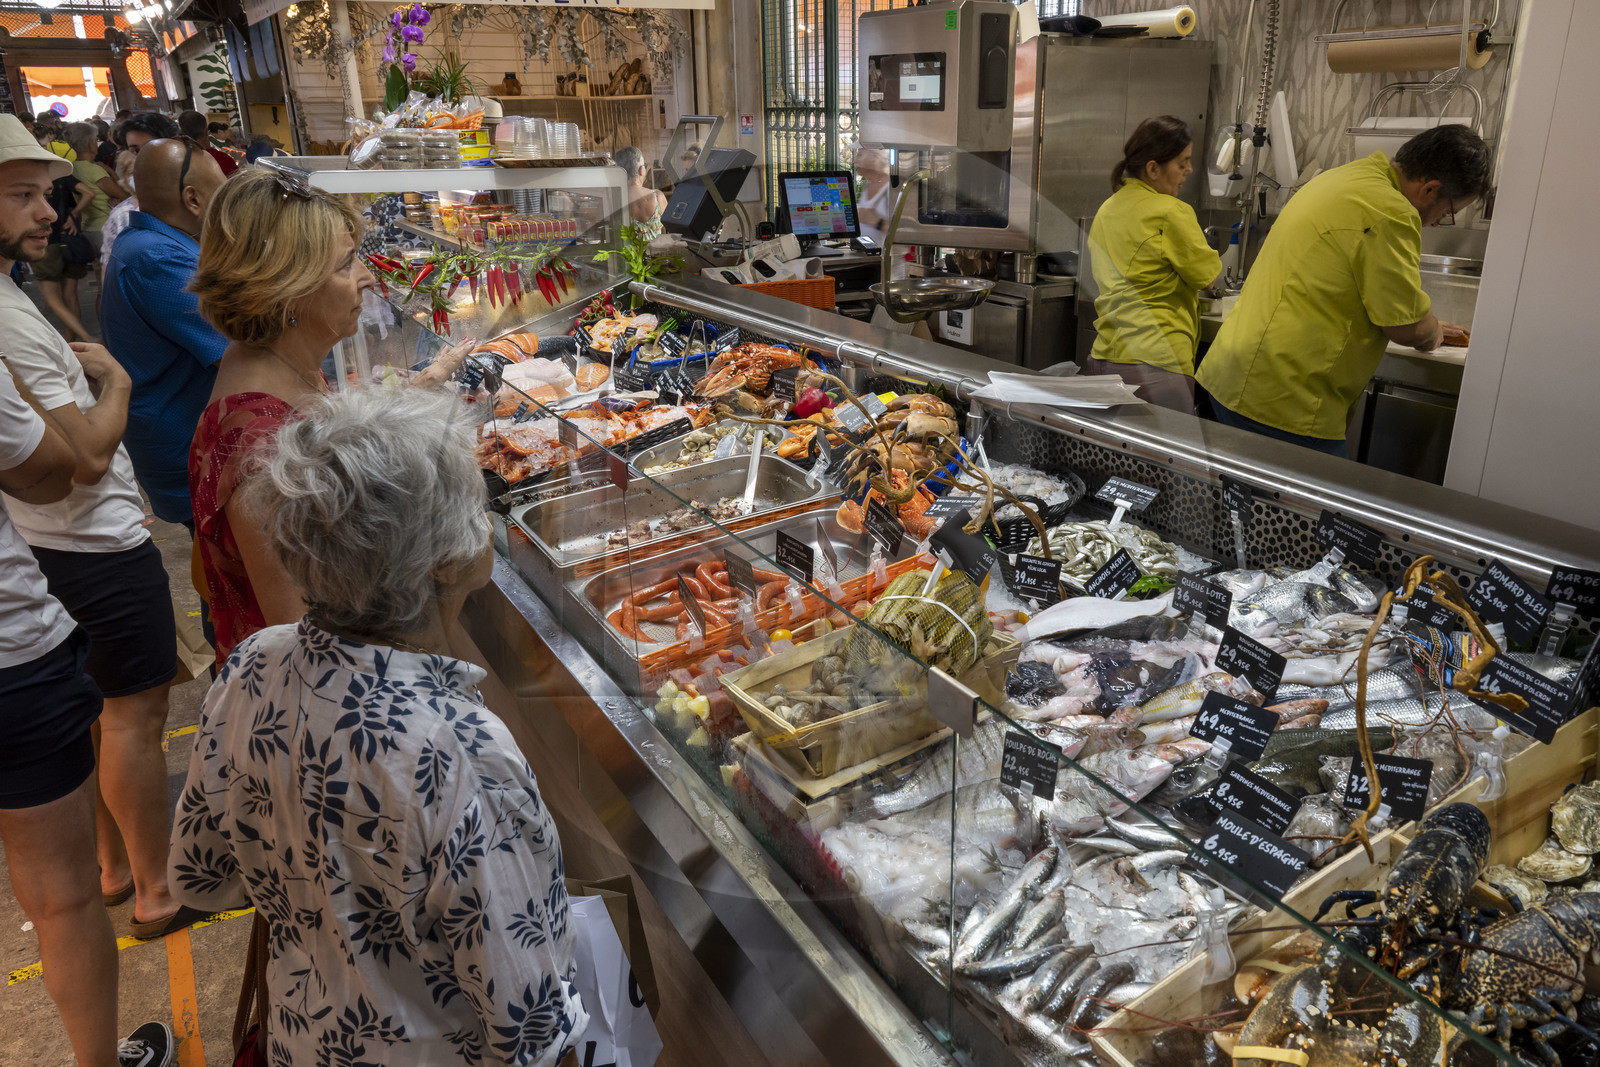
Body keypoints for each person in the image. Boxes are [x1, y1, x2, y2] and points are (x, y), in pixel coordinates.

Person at [169, 387, 587, 1064]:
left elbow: (201, 875)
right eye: (477, 502)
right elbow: (531, 1026)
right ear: (445, 562)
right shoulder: (460, 751)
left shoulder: (251, 666)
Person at [0, 110, 177, 1067]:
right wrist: (114, 382)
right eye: (21, 192)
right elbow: (71, 459)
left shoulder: (12, 291)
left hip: (47, 565)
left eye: (45, 189)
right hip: (79, 559)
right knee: (134, 714)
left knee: (105, 723)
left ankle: (121, 869)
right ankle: (153, 885)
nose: (47, 208)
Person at [189, 168, 474, 666]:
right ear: (286, 290)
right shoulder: (262, 437)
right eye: (346, 265)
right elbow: (303, 638)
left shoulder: (279, 365)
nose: (366, 278)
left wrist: (417, 394)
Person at [1197, 125, 1491, 456]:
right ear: (1430, 189)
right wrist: (1434, 331)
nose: (1439, 222)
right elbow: (1406, 328)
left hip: (1233, 377)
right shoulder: (1390, 211)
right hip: (1284, 401)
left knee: (1243, 503)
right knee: (1303, 506)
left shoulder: (1343, 178)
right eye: (1449, 212)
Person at [102, 139, 228, 528]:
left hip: (189, 441)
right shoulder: (158, 258)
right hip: (191, 450)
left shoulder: (156, 243)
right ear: (193, 199)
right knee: (229, 572)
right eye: (222, 194)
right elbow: (244, 344)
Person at [1083, 116, 1224, 413]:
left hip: (1103, 358)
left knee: (1109, 458)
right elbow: (1208, 277)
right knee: (1165, 459)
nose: (1189, 170)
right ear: (1153, 168)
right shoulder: (1171, 211)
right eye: (1182, 163)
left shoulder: (1107, 209)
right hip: (1156, 366)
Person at [35, 156, 97, 342]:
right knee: (70, 296)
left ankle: (86, 338)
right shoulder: (61, 177)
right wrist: (74, 214)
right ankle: (73, 343)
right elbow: (89, 193)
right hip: (70, 240)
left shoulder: (33, 180)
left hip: (47, 243)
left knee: (53, 299)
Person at [64, 122, 128, 258]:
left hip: (87, 228)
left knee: (101, 273)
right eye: (95, 139)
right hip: (105, 227)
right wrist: (112, 172)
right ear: (90, 143)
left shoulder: (71, 168)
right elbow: (125, 196)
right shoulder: (95, 170)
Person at [615, 144, 665, 239]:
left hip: (627, 254)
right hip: (657, 253)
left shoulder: (615, 200)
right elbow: (667, 233)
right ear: (641, 170)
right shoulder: (658, 197)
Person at [177, 109, 237, 176]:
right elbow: (238, 183)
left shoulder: (179, 163)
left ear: (182, 134)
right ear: (206, 131)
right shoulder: (223, 159)